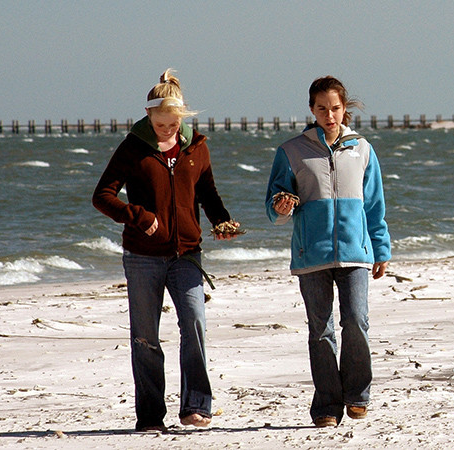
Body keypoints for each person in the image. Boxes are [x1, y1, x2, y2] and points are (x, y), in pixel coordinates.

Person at [92, 68, 239, 432]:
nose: (168, 129)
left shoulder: (197, 148)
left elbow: (207, 194)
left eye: (173, 123)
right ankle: (150, 416)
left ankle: (196, 407)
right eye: (161, 123)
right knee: (145, 337)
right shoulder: (133, 148)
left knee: (194, 323)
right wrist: (138, 216)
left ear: (181, 118)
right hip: (142, 256)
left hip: (187, 253)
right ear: (148, 117)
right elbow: (102, 197)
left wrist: (222, 222)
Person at [265, 76, 391, 428]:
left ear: (344, 108)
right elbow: (273, 207)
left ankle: (358, 395)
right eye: (322, 108)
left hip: (356, 253)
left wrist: (380, 249)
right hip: (311, 255)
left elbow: (375, 206)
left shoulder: (362, 149)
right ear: (311, 110)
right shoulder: (291, 151)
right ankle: (326, 406)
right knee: (320, 331)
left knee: (356, 323)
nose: (329, 115)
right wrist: (283, 205)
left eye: (335, 108)